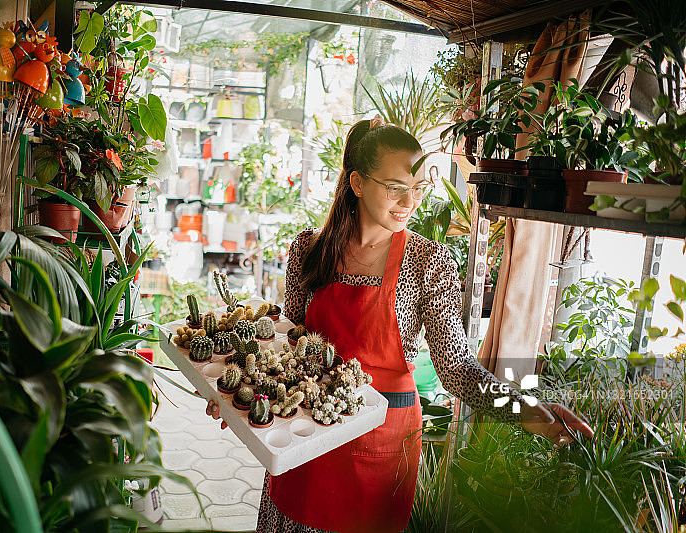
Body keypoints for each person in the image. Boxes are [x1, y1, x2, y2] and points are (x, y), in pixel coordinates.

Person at [206, 116, 594, 533]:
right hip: (305, 438)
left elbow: (458, 370)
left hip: (378, 448)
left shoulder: (429, 263)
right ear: (357, 184)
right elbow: (286, 350)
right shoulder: (309, 249)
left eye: (418, 188)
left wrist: (530, 410)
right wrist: (239, 397)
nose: (410, 202)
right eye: (395, 188)